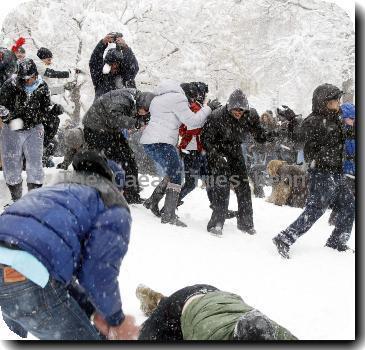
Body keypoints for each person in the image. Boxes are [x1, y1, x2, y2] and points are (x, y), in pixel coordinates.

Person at [0, 150, 139, 340]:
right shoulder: (111, 203)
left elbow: (57, 274)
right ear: (117, 186)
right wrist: (117, 320)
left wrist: (92, 311)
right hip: (27, 273)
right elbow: (97, 273)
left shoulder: (52, 192)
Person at [272, 84, 355, 258]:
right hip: (321, 172)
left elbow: (347, 128)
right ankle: (285, 238)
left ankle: (337, 242)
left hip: (336, 172)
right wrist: (293, 120)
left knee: (349, 205)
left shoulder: (337, 117)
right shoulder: (314, 121)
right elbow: (297, 139)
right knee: (316, 209)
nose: (337, 104)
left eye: (338, 101)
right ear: (322, 102)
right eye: (333, 102)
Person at [140, 79, 220, 227]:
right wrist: (208, 108)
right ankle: (168, 215)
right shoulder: (178, 98)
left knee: (173, 172)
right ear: (188, 94)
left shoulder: (160, 97)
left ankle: (153, 201)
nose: (192, 102)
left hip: (150, 141)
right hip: (162, 142)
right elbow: (193, 122)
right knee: (176, 173)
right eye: (192, 98)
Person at [201, 89, 275, 236]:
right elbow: (206, 140)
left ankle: (245, 224)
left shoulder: (251, 115)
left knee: (243, 187)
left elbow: (259, 135)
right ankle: (216, 223)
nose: (238, 112)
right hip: (218, 150)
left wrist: (268, 136)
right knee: (222, 187)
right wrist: (216, 157)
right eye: (235, 109)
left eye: (241, 110)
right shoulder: (217, 116)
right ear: (229, 107)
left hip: (235, 150)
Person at [136, 284, 297, 341]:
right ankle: (152, 298)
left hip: (214, 297)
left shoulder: (275, 332)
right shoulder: (210, 335)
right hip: (182, 304)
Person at [0, 59, 62, 203]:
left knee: (35, 163)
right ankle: (16, 199)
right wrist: (8, 115)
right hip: (12, 127)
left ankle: (33, 200)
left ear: (35, 74)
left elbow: (45, 108)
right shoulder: (10, 85)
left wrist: (53, 111)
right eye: (24, 79)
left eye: (30, 78)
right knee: (11, 162)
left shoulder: (42, 87)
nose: (28, 81)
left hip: (34, 128)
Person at [83, 88, 154, 204]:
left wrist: (142, 120)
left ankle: (131, 193)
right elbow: (114, 118)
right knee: (116, 160)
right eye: (144, 110)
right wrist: (135, 123)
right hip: (95, 129)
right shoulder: (123, 99)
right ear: (140, 103)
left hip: (109, 129)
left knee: (129, 158)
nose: (144, 113)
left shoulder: (135, 100)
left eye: (147, 111)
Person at [34, 47, 76, 167]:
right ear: (42, 58)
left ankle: (44, 153)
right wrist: (68, 73)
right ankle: (41, 155)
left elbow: (49, 90)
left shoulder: (42, 69)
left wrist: (64, 87)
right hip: (37, 105)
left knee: (54, 120)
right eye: (48, 59)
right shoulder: (38, 65)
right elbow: (52, 73)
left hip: (44, 102)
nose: (50, 61)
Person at [328, 102, 355, 225]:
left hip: (352, 166)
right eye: (351, 118)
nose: (353, 120)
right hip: (344, 167)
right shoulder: (339, 130)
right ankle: (335, 218)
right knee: (345, 194)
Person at [89, 32, 139, 99]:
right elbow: (94, 62)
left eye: (117, 63)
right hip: (103, 108)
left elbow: (133, 67)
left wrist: (125, 47)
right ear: (107, 63)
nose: (114, 66)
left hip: (124, 108)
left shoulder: (126, 77)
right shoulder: (100, 77)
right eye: (111, 63)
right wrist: (103, 43)